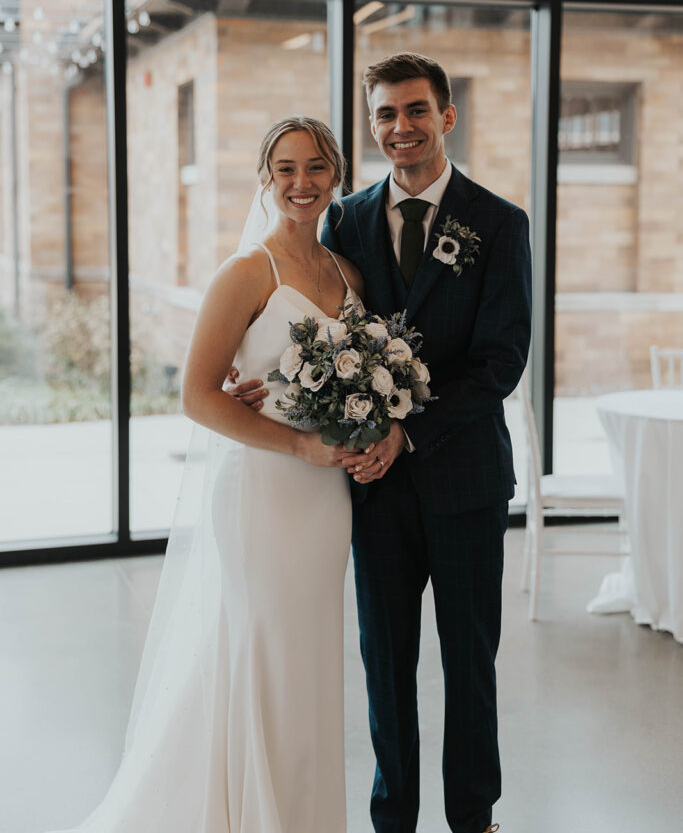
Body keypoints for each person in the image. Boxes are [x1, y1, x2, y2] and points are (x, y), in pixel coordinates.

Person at [235, 52, 532, 833]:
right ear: (371, 126)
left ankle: (474, 816)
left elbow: (501, 360)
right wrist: (272, 389)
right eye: (384, 115)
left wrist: (411, 430)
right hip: (371, 486)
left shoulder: (498, 223)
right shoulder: (346, 219)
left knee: (468, 666)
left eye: (414, 111)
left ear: (446, 117)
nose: (400, 128)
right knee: (385, 667)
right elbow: (319, 334)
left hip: (464, 480)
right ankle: (390, 817)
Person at [47, 116, 362, 833]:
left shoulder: (350, 275)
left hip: (327, 497)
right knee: (261, 649)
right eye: (284, 169)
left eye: (314, 167)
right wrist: (295, 447)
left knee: (307, 659)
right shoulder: (248, 271)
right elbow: (195, 395)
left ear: (335, 174)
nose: (301, 183)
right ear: (264, 178)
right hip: (263, 489)